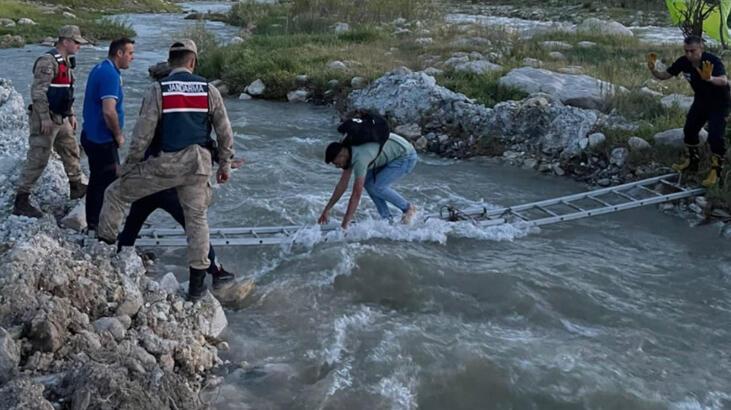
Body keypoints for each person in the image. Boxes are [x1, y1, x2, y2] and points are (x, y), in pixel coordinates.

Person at [96, 39, 235, 301]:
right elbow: (225, 132)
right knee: (196, 222)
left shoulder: (158, 90)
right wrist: (225, 164)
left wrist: (128, 167)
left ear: (170, 62)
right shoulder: (209, 90)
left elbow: (142, 136)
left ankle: (103, 250)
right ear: (192, 61)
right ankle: (197, 288)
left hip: (164, 165)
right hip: (198, 165)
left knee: (115, 193)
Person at [13, 25, 88, 217]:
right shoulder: (47, 62)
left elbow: (66, 91)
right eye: (76, 42)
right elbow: (38, 92)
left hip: (61, 117)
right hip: (46, 118)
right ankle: (21, 199)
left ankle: (76, 185)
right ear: (65, 41)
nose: (79, 46)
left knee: (71, 149)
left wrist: (71, 114)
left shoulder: (66, 63)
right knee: (39, 157)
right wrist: (44, 118)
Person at [647, 35, 730, 187]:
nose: (689, 54)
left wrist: (710, 78)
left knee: (715, 137)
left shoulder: (711, 60)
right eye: (686, 51)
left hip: (720, 103)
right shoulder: (683, 62)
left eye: (693, 51)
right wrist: (653, 70)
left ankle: (716, 170)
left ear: (701, 48)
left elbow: (724, 80)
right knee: (689, 130)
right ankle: (692, 162)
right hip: (701, 101)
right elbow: (665, 76)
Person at [319, 116, 418, 229]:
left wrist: (344, 225)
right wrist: (327, 209)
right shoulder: (346, 148)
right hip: (388, 152)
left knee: (376, 186)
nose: (337, 166)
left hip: (405, 155)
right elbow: (342, 185)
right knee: (369, 184)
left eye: (337, 163)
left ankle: (408, 208)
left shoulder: (360, 158)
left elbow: (356, 194)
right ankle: (387, 219)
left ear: (341, 155)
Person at [81, 38, 135, 230]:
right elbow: (109, 111)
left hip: (91, 133)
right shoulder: (110, 74)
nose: (132, 58)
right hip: (102, 138)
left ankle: (94, 222)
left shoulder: (101, 67)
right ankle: (99, 224)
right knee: (108, 183)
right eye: (130, 53)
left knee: (98, 179)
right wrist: (118, 135)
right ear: (119, 53)